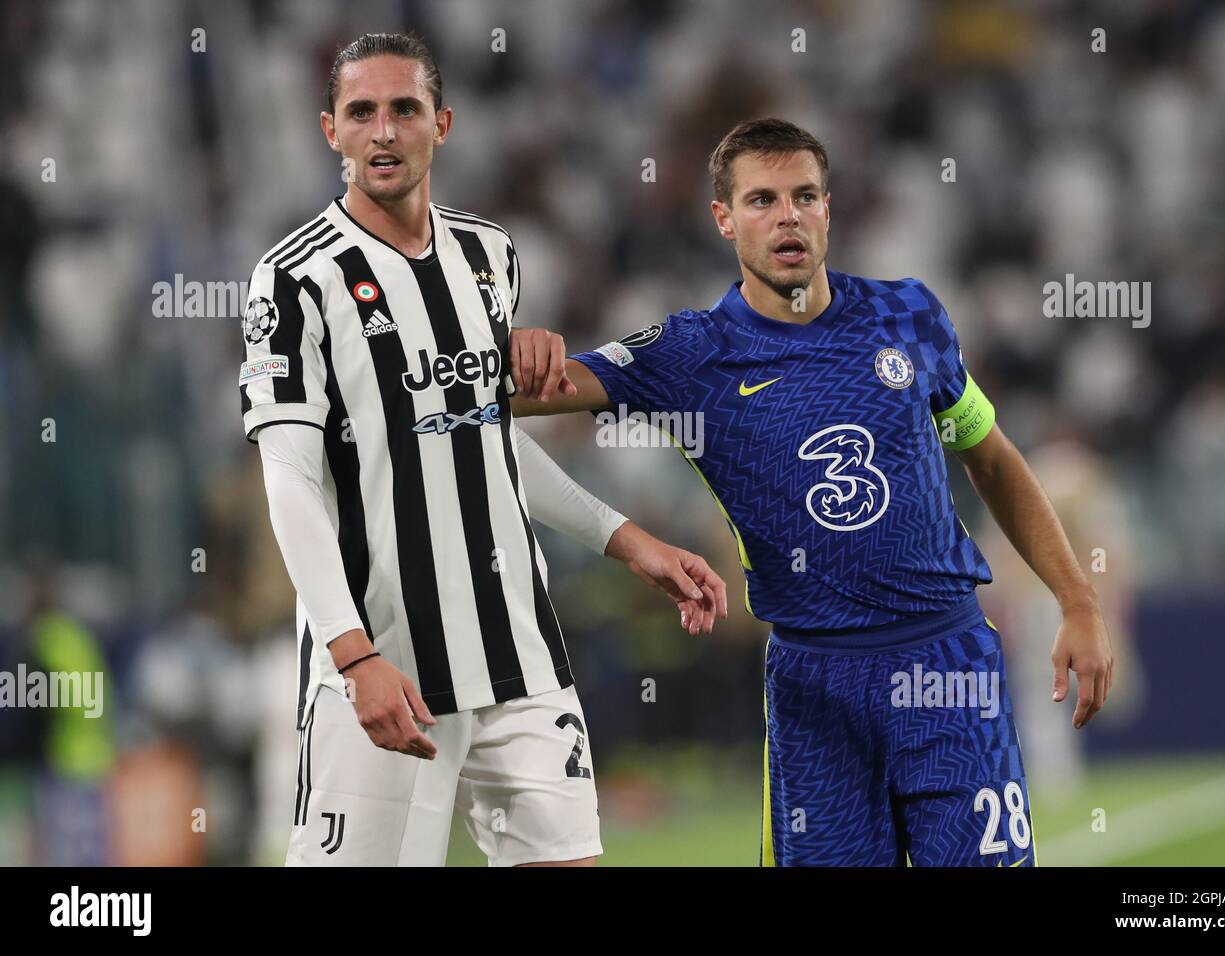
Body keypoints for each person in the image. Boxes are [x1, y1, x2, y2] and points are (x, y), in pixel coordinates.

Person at [512, 118, 1114, 866]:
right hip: (814, 690)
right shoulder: (689, 355)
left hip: (949, 670)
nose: (787, 215)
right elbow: (514, 395)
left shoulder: (909, 314)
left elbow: (989, 458)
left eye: (804, 196)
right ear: (723, 218)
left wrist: (1078, 603)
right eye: (762, 200)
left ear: (829, 209)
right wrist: (507, 348)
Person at [239, 32, 725, 867]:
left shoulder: (488, 254)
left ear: (444, 124)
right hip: (384, 666)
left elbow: (480, 441)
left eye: (405, 109)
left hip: (518, 652)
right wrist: (354, 658)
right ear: (330, 130)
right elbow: (289, 481)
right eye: (362, 112)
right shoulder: (291, 280)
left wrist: (627, 540)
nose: (383, 131)